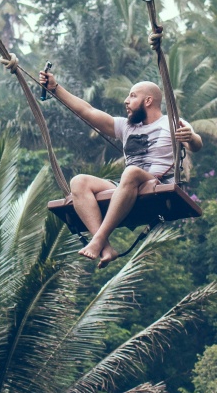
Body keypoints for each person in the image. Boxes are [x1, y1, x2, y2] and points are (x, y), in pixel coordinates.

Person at [38, 69, 202, 266]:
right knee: (78, 181)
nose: (126, 101)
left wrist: (190, 138)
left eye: (132, 96)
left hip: (156, 185)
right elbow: (87, 111)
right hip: (128, 185)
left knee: (131, 171)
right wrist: (55, 88)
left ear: (148, 101)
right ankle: (106, 246)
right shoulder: (126, 126)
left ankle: (97, 240)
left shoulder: (172, 122)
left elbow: (196, 143)